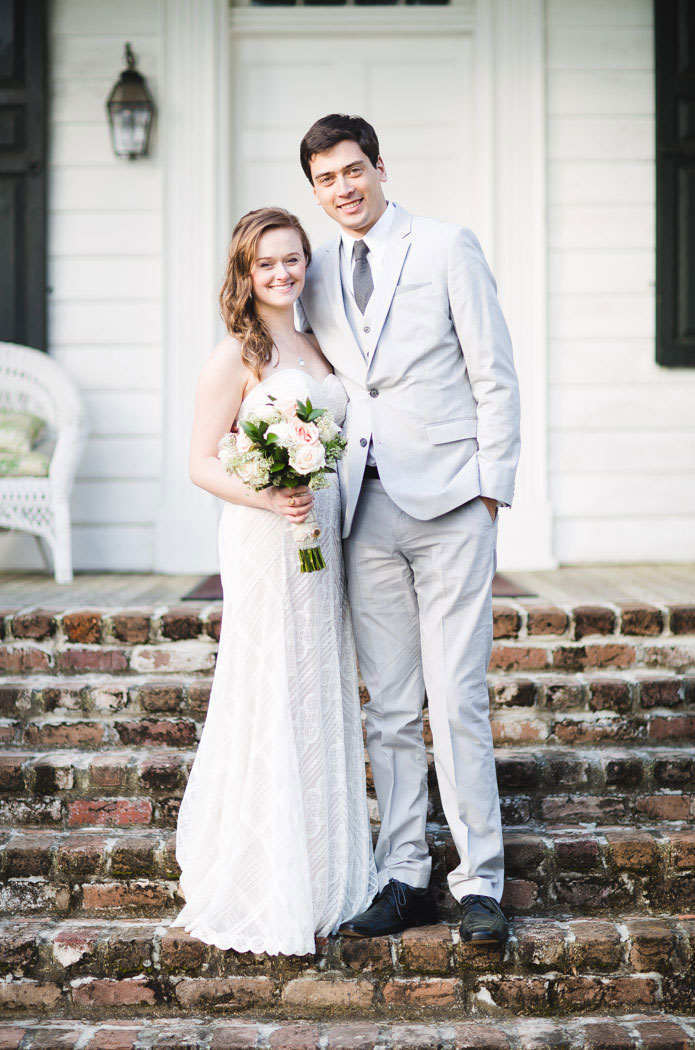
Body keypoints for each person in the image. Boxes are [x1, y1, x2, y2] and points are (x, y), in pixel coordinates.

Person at [297, 114, 521, 944]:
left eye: (353, 170)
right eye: (326, 179)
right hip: (365, 509)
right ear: (314, 190)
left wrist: (489, 493)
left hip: (453, 503)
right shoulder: (314, 274)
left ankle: (480, 883)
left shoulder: (445, 246)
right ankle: (402, 874)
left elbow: (493, 373)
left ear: (380, 168)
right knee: (389, 708)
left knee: (456, 697)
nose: (343, 188)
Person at [174, 206, 376, 956]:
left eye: (293, 259)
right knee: (270, 685)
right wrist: (269, 494)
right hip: (266, 537)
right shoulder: (236, 353)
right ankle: (263, 873)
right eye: (267, 264)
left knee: (318, 684)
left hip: (323, 537)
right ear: (245, 272)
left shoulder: (321, 341)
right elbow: (199, 462)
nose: (283, 273)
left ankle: (324, 873)